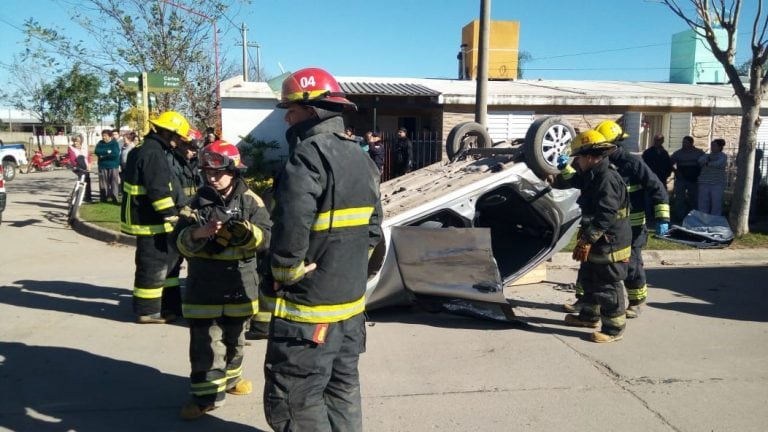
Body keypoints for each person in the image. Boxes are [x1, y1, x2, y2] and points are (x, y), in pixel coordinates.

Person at [265, 67, 383, 431]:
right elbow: (374, 230)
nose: (287, 117)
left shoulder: (306, 156)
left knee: (294, 399)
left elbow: (290, 228)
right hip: (349, 306)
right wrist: (346, 267)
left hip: (309, 310)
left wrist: (285, 273)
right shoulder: (361, 157)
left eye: (292, 110)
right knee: (342, 388)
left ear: (312, 110)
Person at [172, 140, 272, 420]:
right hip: (204, 289)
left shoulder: (252, 201)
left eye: (218, 173)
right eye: (207, 173)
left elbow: (267, 237)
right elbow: (175, 242)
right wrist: (197, 234)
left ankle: (230, 380)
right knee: (206, 344)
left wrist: (248, 232)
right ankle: (204, 398)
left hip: (240, 288)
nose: (211, 178)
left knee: (235, 340)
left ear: (234, 171)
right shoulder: (195, 203)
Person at [563, 121, 669, 319]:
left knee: (630, 265)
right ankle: (587, 302)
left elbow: (656, 186)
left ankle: (636, 301)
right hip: (605, 226)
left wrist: (662, 216)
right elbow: (580, 181)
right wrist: (564, 169)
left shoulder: (631, 163)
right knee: (589, 265)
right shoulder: (596, 166)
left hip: (631, 225)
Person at [556, 129, 631, 343]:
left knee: (607, 284)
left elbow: (606, 214)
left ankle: (613, 329)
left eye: (578, 157)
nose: (576, 161)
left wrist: (588, 238)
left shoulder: (606, 179)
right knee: (590, 278)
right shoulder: (594, 173)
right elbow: (577, 181)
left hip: (610, 242)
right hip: (598, 239)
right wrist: (564, 168)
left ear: (590, 157)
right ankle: (588, 317)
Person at [120, 111, 192, 324]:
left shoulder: (148, 149)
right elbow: (158, 189)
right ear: (169, 133)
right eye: (179, 137)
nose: (179, 142)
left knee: (169, 263)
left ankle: (169, 306)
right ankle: (148, 310)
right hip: (152, 221)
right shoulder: (153, 153)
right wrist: (170, 216)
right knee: (153, 265)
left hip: (149, 218)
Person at [671, 136, 705, 222]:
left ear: (691, 143)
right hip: (681, 179)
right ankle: (680, 217)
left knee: (694, 198)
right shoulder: (678, 153)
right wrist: (675, 171)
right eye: (683, 142)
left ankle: (694, 217)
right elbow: (670, 163)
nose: (683, 144)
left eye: (685, 142)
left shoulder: (698, 152)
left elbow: (704, 164)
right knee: (679, 199)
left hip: (693, 179)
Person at [697, 138, 728, 216]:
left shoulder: (723, 156)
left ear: (720, 147)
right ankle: (703, 219)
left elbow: (718, 164)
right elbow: (700, 161)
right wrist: (708, 161)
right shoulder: (707, 155)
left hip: (717, 184)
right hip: (704, 182)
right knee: (703, 203)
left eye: (714, 145)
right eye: (712, 145)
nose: (712, 147)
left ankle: (715, 220)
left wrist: (708, 163)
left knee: (716, 203)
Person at [94, 129, 121, 204]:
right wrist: (107, 152)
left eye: (105, 136)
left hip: (113, 166)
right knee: (103, 183)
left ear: (110, 136)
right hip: (102, 166)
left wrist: (103, 156)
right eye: (102, 136)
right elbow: (97, 151)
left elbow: (115, 154)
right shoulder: (100, 143)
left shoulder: (114, 143)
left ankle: (114, 198)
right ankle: (103, 198)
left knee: (113, 183)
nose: (103, 137)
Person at [67, 134, 93, 202]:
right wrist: (77, 166)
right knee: (81, 179)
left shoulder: (85, 147)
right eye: (74, 141)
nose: (75, 143)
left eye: (77, 141)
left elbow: (89, 157)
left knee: (87, 180)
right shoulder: (71, 148)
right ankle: (75, 195)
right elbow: (72, 159)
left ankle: (88, 197)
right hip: (77, 166)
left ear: (81, 141)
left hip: (86, 166)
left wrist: (89, 165)